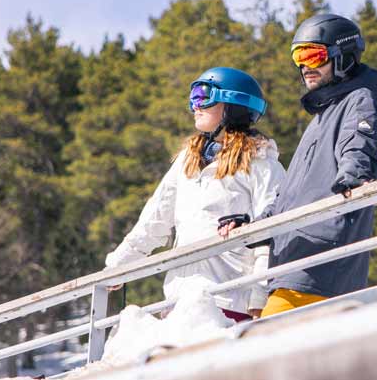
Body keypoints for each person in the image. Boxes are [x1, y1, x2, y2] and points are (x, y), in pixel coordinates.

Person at [222, 12, 377, 317]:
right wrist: (253, 226)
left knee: (266, 348)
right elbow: (290, 196)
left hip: (320, 264)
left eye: (313, 55)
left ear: (343, 57)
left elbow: (359, 145)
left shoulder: (359, 100)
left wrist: (355, 175)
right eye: (298, 57)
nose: (304, 66)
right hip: (291, 262)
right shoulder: (320, 119)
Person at [105, 67, 284, 321]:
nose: (195, 105)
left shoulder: (261, 164)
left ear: (233, 105)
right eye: (193, 98)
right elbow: (154, 220)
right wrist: (118, 266)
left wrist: (259, 297)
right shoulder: (187, 162)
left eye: (203, 96)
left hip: (228, 300)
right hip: (180, 300)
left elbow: (270, 236)